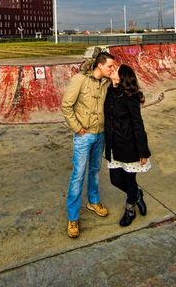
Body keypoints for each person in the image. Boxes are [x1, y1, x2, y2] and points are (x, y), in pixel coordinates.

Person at [61, 50, 116, 238]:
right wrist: (77, 128)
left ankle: (93, 201)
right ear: (99, 65)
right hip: (84, 136)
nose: (112, 69)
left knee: (94, 171)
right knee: (78, 175)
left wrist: (116, 79)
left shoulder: (107, 82)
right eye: (110, 66)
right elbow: (66, 106)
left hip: (100, 134)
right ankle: (73, 217)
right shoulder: (80, 80)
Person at [104, 64, 151, 227]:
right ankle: (137, 194)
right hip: (113, 145)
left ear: (122, 77)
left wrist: (143, 152)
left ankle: (130, 209)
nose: (112, 70)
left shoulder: (130, 96)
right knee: (115, 180)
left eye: (115, 70)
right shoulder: (110, 91)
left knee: (129, 180)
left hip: (130, 146)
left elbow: (138, 123)